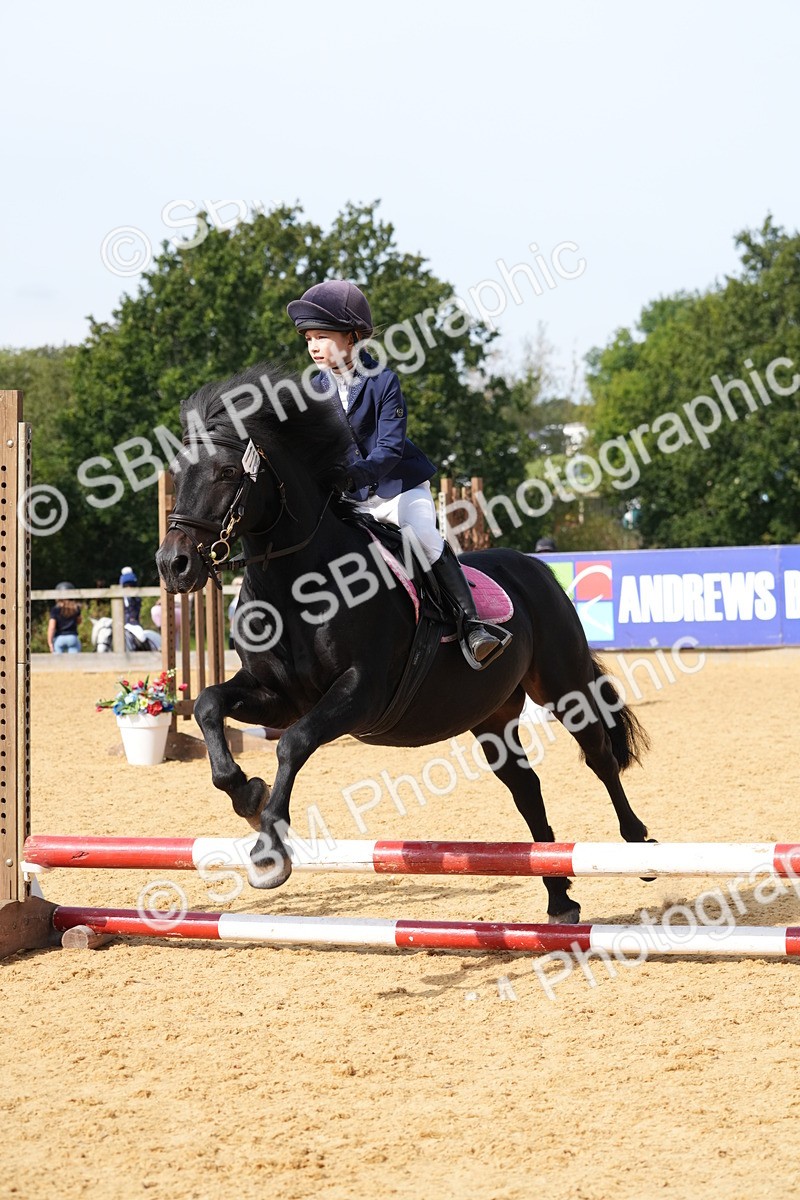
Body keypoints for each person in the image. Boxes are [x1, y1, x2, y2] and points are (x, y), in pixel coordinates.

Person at [287, 280, 509, 667]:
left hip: (397, 490)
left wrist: (353, 475)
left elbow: (389, 448)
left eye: (322, 336)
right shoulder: (310, 389)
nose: (313, 346)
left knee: (422, 535)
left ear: (353, 336)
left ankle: (472, 626)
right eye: (309, 339)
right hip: (350, 499)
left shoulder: (383, 382)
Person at [48, 581, 82, 653]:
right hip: (72, 637)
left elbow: (52, 627)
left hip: (59, 638)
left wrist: (50, 643)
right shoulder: (76, 608)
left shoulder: (55, 609)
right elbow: (79, 621)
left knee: (57, 662)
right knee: (74, 662)